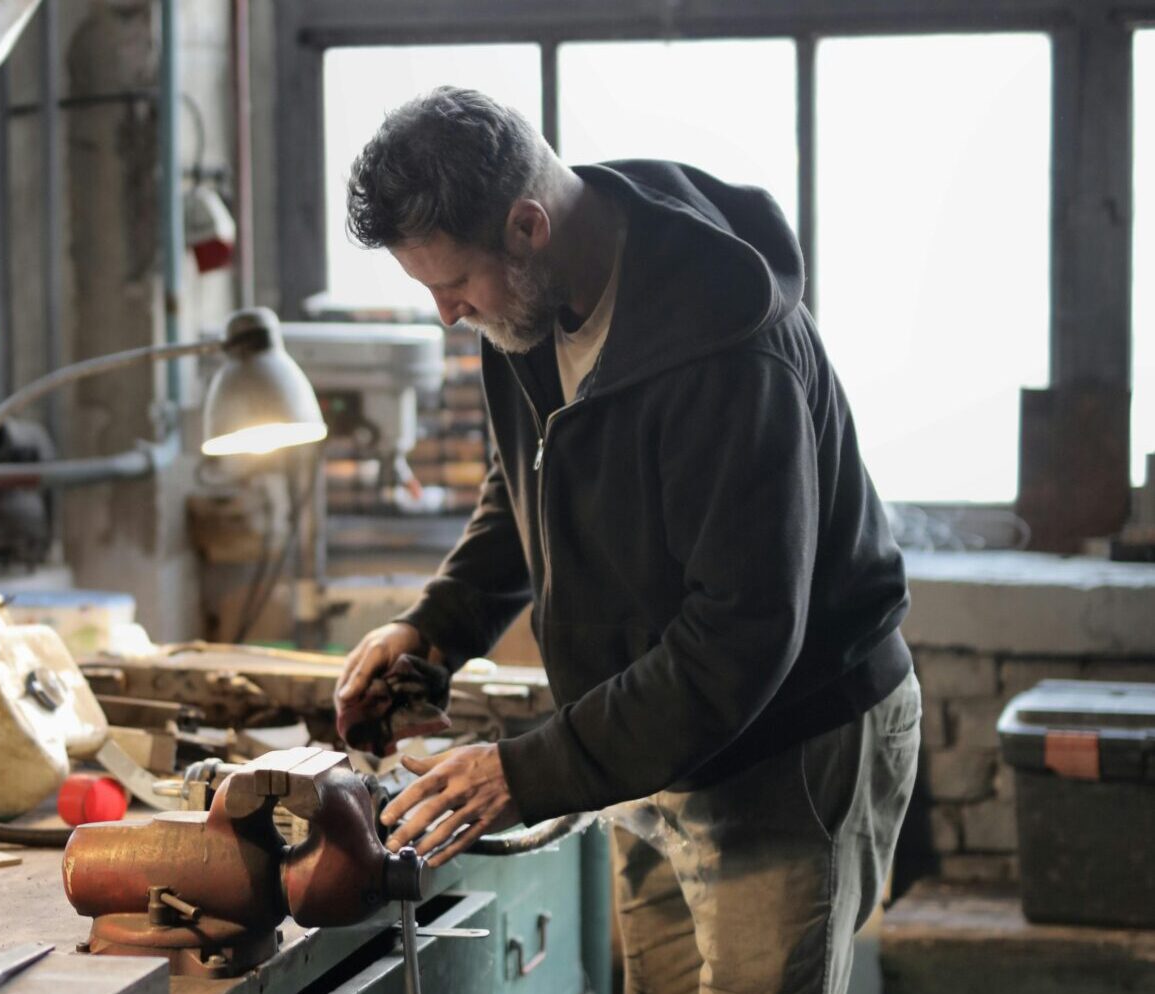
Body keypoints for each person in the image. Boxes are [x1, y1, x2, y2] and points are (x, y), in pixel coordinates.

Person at [333, 86, 922, 994]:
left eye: (451, 285)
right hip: (644, 734)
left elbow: (743, 634)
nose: (447, 315)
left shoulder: (726, 352)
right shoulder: (525, 305)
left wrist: (524, 770)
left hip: (785, 743)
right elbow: (530, 483)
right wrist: (435, 629)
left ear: (528, 226)